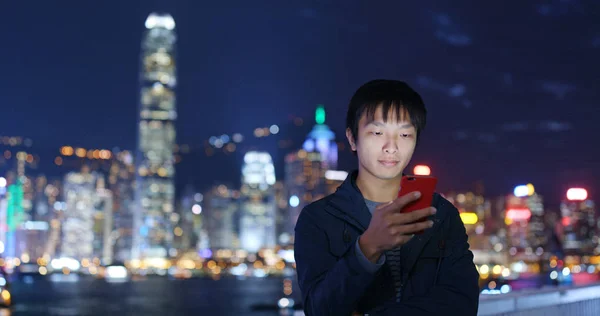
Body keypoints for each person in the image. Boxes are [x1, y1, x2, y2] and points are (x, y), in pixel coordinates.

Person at [294, 79, 480, 315]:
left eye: (404, 134)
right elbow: (318, 309)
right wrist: (367, 248)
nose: (391, 147)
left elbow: (463, 303)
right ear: (352, 138)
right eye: (378, 132)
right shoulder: (318, 219)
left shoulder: (441, 214)